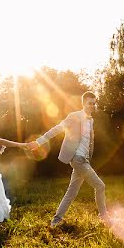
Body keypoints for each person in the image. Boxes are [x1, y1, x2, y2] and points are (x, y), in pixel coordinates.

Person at [30, 91, 108, 228]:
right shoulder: (74, 116)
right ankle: (104, 217)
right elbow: (58, 128)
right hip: (77, 159)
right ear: (83, 103)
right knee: (100, 186)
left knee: (72, 192)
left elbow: (89, 141)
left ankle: (56, 220)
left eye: (94, 104)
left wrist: (88, 157)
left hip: (85, 159)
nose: (92, 106)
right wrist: (39, 142)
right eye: (90, 103)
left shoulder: (91, 120)